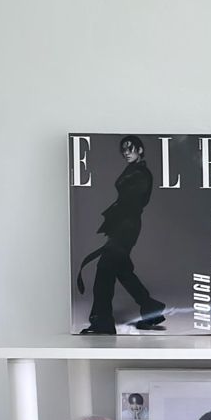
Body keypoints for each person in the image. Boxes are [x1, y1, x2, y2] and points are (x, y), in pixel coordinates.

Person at [76, 135, 166, 335]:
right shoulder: (134, 170)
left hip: (127, 227)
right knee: (122, 270)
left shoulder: (142, 173)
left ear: (140, 150)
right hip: (123, 225)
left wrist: (118, 221)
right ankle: (151, 307)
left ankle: (103, 323)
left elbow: (135, 202)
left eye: (130, 148)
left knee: (104, 271)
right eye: (123, 149)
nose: (126, 152)